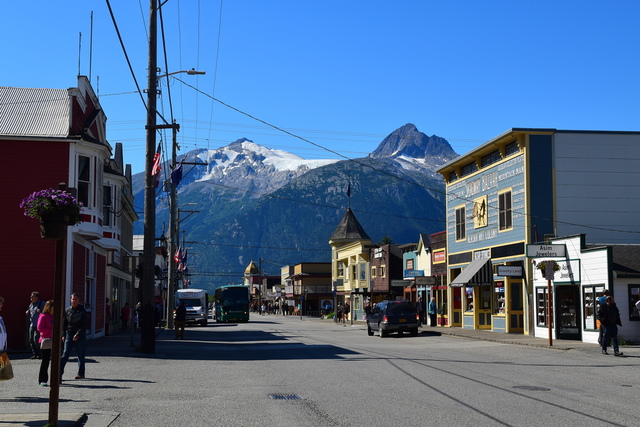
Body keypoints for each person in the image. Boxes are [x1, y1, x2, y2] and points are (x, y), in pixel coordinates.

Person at [60, 293, 88, 381]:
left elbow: (84, 325)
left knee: (80, 354)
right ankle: (59, 374)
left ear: (79, 300)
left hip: (80, 335)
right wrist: (63, 335)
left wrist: (78, 334)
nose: (74, 301)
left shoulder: (82, 311)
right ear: (70, 300)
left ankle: (81, 373)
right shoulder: (67, 310)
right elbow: (64, 324)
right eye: (72, 299)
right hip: (69, 334)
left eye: (75, 299)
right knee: (65, 354)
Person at [37, 300, 54, 386]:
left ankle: (56, 378)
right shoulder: (43, 316)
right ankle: (42, 379)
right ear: (49, 307)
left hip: (55, 341)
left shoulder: (54, 316)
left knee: (56, 361)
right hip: (46, 340)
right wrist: (52, 331)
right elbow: (40, 328)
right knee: (45, 361)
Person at [26, 291, 46, 359]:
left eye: (32, 296)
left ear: (37, 297)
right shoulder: (31, 304)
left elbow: (48, 312)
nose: (31, 297)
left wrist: (41, 312)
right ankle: (35, 353)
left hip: (39, 325)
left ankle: (40, 353)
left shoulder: (42, 304)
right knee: (31, 339)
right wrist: (27, 312)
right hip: (32, 324)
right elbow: (30, 311)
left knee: (36, 339)